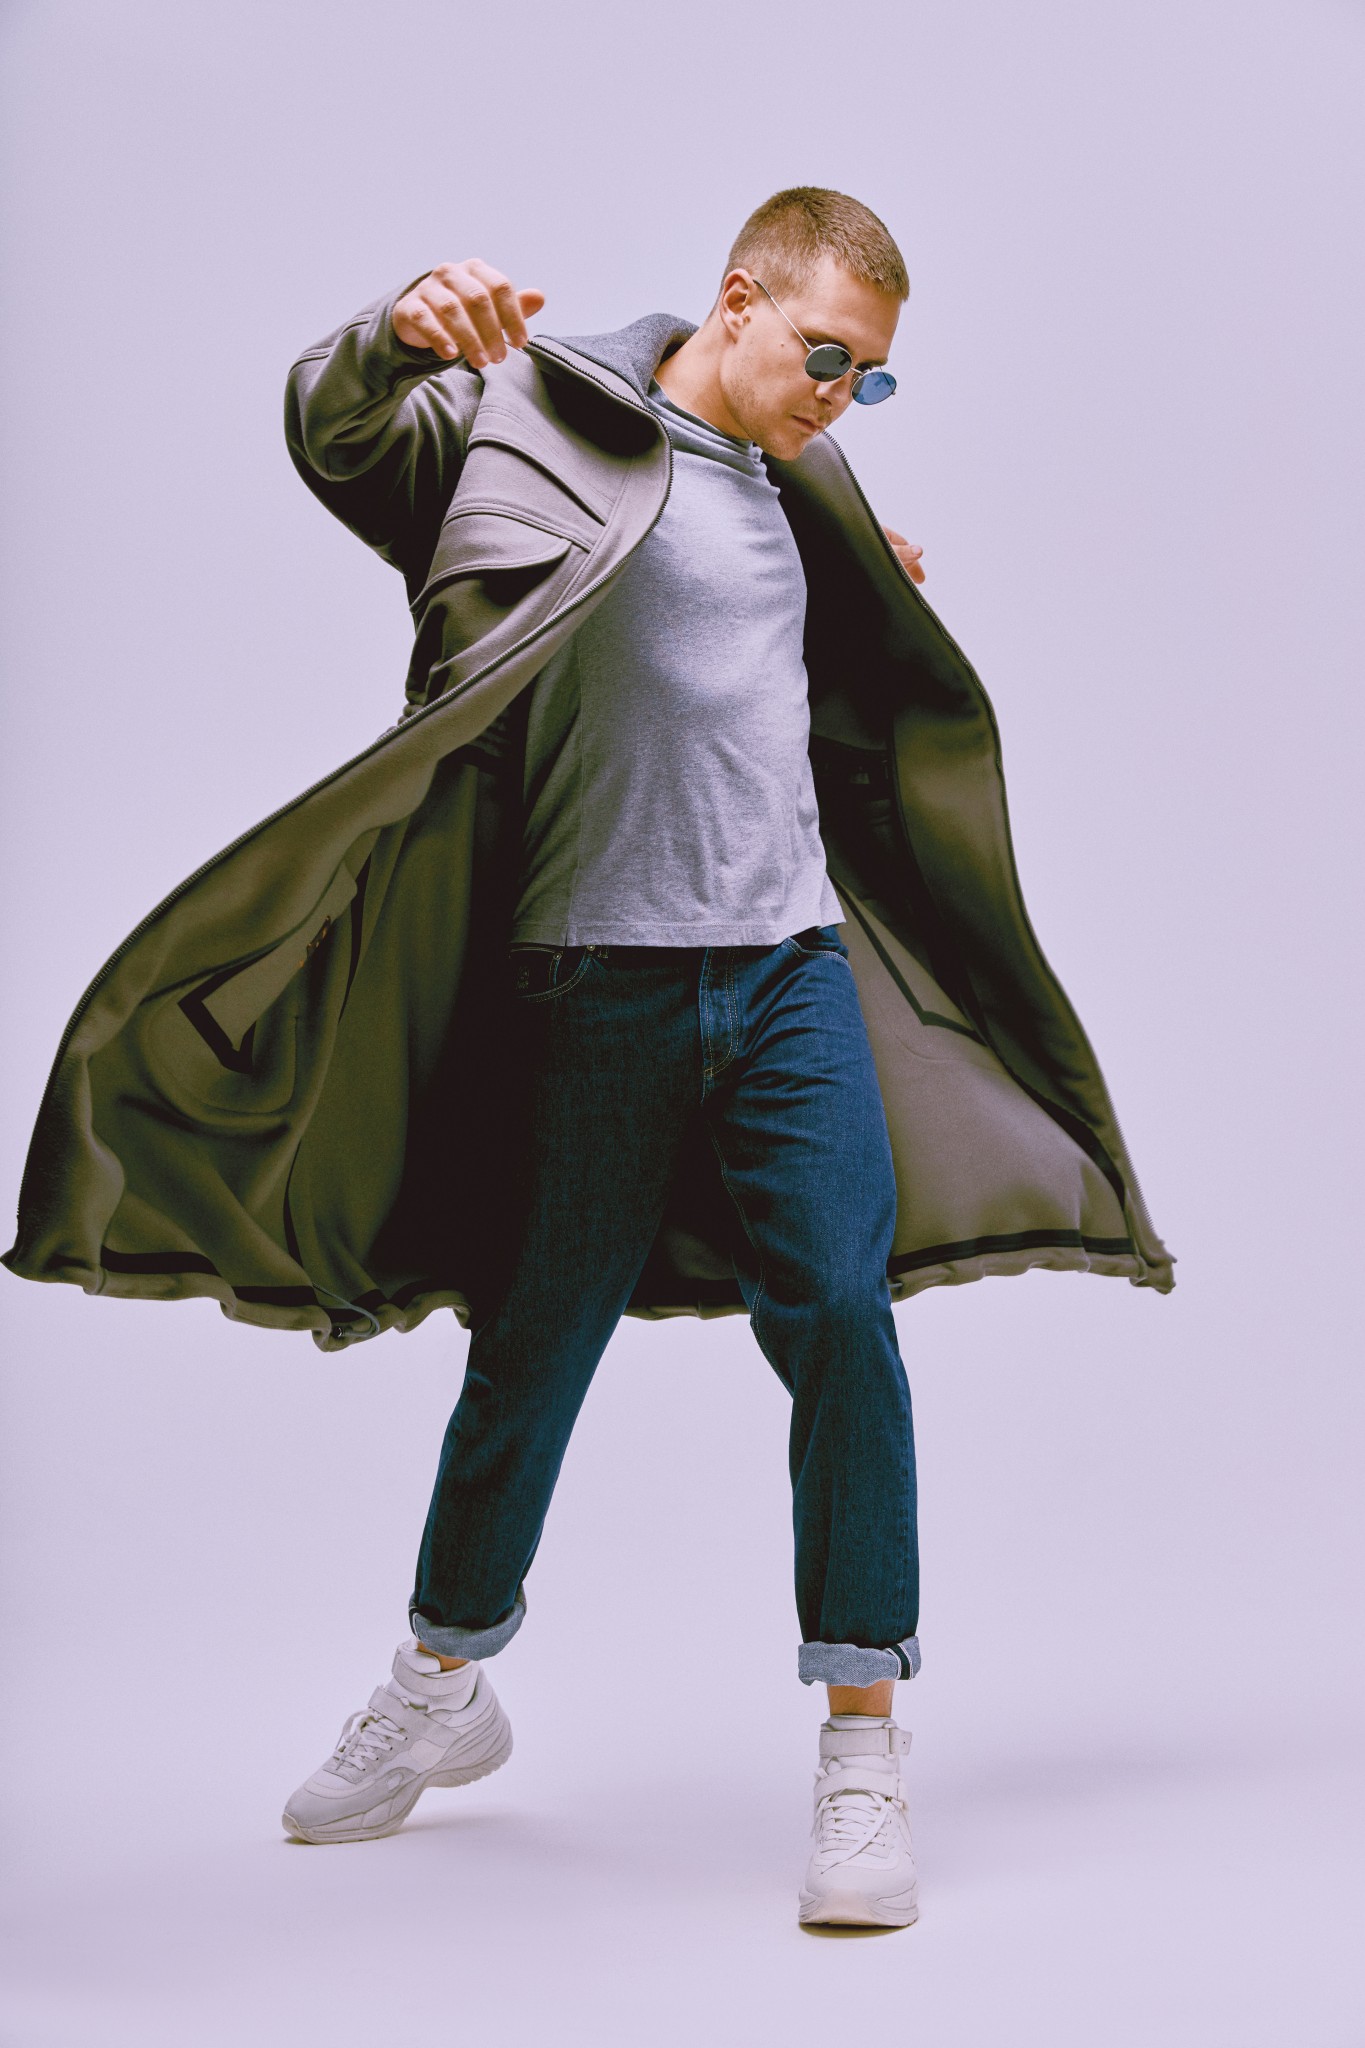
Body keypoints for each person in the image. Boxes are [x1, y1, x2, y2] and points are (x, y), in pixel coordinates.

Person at [2, 186, 1174, 1930]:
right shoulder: (530, 422)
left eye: (869, 376)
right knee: (531, 1351)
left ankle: (861, 1742)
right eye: (824, 355)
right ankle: (442, 1682)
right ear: (737, 299)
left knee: (840, 1323)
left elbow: (830, 684)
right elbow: (340, 437)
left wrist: (871, 576)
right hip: (590, 983)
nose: (839, 397)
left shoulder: (809, 492)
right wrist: (398, 329)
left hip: (785, 978)